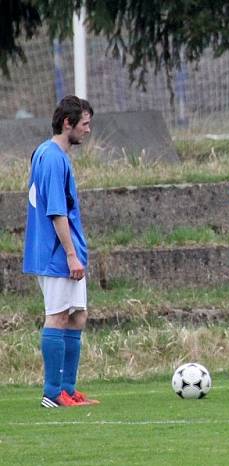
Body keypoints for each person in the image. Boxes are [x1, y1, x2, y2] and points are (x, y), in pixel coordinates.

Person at [24, 95, 100, 407]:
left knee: (78, 315)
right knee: (56, 316)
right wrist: (70, 254)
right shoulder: (53, 158)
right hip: (56, 254)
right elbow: (56, 211)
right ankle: (53, 393)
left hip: (63, 253)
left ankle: (67, 389)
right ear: (67, 123)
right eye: (84, 124)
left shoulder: (48, 154)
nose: (88, 130)